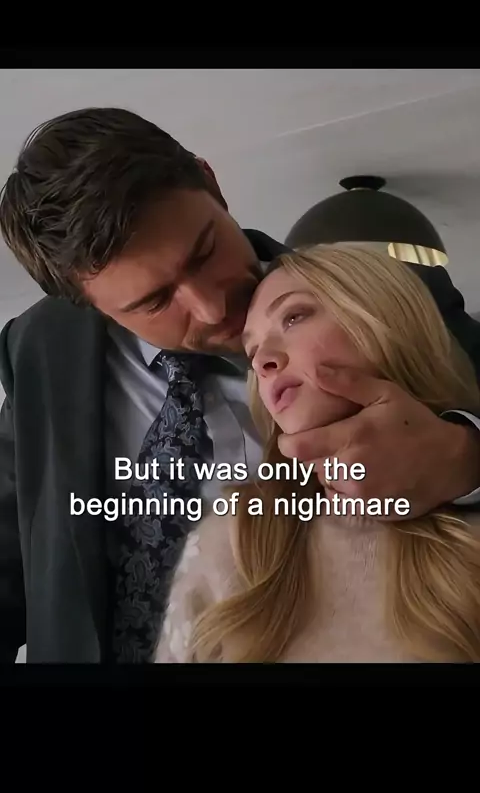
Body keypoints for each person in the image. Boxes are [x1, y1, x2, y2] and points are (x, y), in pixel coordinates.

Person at [0, 107, 479, 664]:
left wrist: (464, 456)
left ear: (212, 184)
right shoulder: (41, 351)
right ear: (88, 304)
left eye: (205, 252)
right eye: (155, 301)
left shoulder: (385, 295)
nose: (211, 306)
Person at [155, 245, 480, 663]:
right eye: (252, 353)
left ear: (384, 316)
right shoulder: (232, 542)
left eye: (294, 317)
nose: (264, 360)